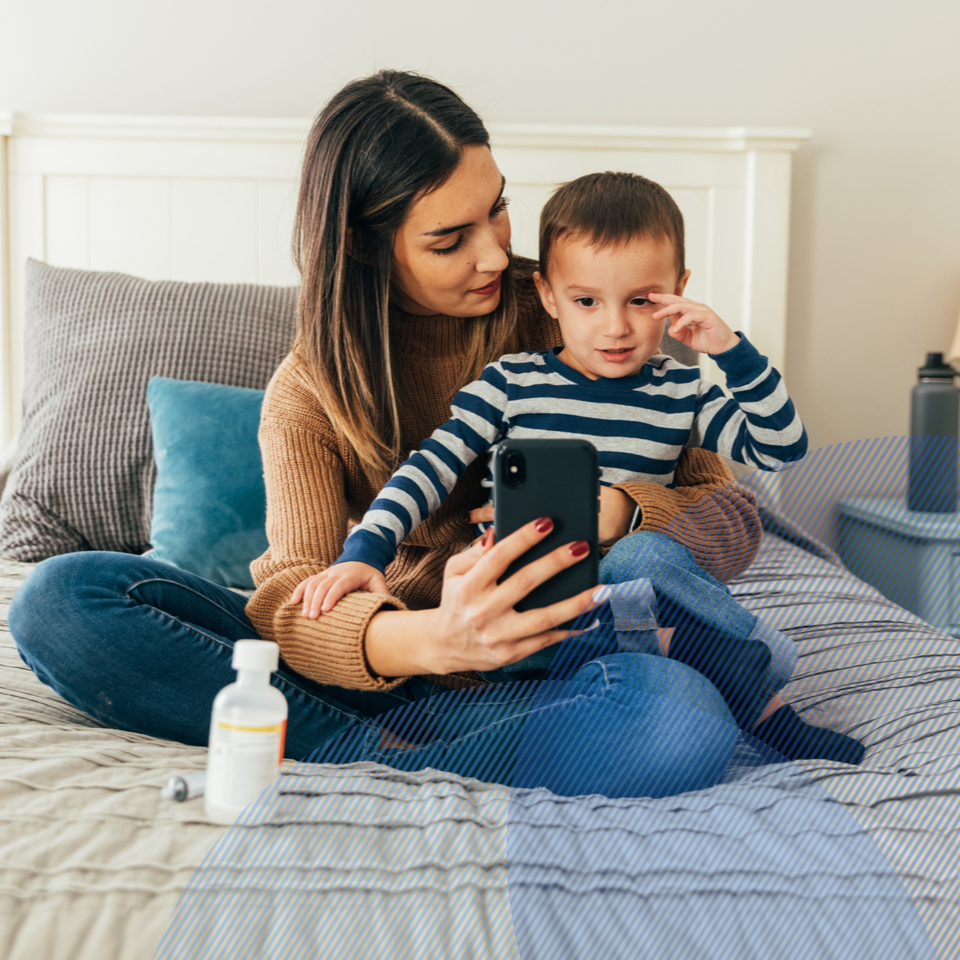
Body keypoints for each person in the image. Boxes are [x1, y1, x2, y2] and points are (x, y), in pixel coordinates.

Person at [10, 70, 777, 799]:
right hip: (388, 654)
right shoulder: (311, 389)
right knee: (62, 598)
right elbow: (287, 597)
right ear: (362, 243)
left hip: (558, 665)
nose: (494, 254)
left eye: (498, 209)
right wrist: (435, 640)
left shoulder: (587, 306)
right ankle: (400, 748)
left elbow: (733, 516)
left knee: (682, 712)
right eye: (449, 240)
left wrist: (623, 510)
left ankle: (359, 749)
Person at [298, 171, 863, 765]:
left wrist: (731, 353)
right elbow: (429, 469)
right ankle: (719, 654)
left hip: (635, 612)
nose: (615, 326)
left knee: (643, 557)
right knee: (588, 591)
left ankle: (759, 702)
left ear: (680, 291)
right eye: (586, 301)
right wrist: (365, 550)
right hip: (534, 613)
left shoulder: (684, 391)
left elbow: (782, 448)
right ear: (547, 295)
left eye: (642, 300)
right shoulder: (511, 383)